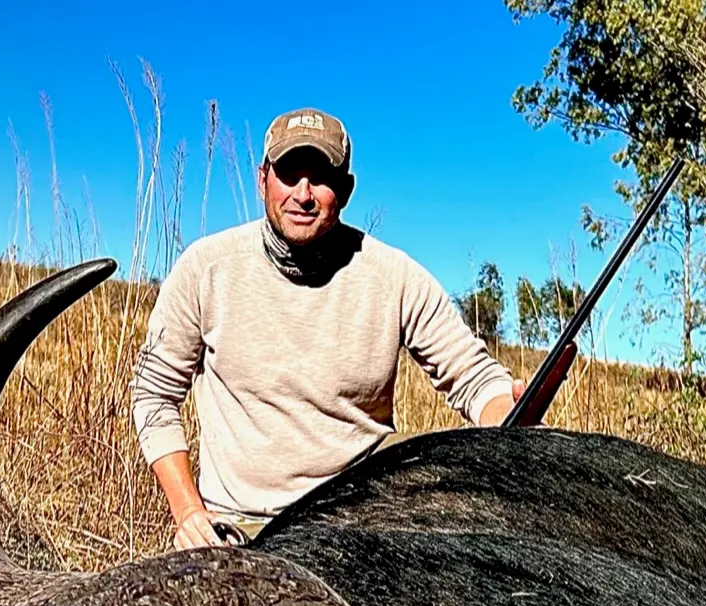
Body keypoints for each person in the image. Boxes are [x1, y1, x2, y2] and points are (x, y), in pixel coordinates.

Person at [131, 108, 525, 548]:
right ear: (263, 179)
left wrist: (509, 414)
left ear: (347, 190)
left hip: (361, 527)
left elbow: (473, 377)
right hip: (238, 529)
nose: (303, 194)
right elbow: (153, 395)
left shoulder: (393, 276)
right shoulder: (205, 269)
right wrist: (189, 512)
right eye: (288, 173)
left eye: (320, 177)